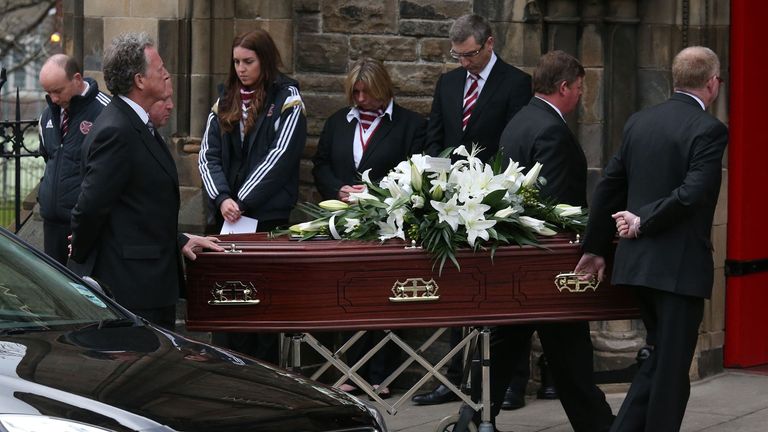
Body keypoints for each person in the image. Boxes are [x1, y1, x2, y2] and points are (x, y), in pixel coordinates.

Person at [575, 46, 728, 432]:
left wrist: (596, 248)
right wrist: (641, 221)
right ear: (712, 84)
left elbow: (609, 185)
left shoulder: (639, 121)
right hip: (677, 269)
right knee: (670, 370)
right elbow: (694, 193)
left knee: (661, 361)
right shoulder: (709, 129)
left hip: (638, 264)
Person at [464, 50, 613, 432]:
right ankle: (597, 425)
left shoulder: (520, 121)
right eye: (579, 88)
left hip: (521, 261)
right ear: (563, 87)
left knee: (511, 344)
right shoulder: (550, 130)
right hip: (547, 263)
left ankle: (472, 419)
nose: (581, 96)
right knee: (569, 352)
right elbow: (556, 206)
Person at [413, 13, 534, 407]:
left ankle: (511, 383)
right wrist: (438, 186)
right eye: (458, 55)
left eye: (470, 55)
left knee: (500, 291)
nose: (464, 63)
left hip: (493, 200)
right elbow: (436, 137)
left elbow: (513, 142)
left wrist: (492, 189)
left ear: (489, 43)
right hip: (451, 204)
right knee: (456, 290)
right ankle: (452, 378)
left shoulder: (516, 83)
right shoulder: (448, 83)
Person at [68, 32, 223, 331]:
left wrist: (181, 240)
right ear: (140, 80)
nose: (166, 72)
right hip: (130, 288)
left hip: (149, 280)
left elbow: (140, 209)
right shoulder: (118, 130)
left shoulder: (137, 125)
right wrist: (82, 253)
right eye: (160, 68)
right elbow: (90, 209)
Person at [312, 57, 426, 398]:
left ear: (382, 88)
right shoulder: (338, 122)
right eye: (355, 92)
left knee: (386, 296)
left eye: (366, 92)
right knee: (350, 294)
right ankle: (352, 371)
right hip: (345, 224)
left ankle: (382, 374)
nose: (360, 99)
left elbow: (415, 172)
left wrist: (376, 193)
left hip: (388, 224)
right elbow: (320, 165)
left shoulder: (410, 125)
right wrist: (338, 190)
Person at [198, 29, 307, 363]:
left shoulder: (287, 99)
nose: (241, 68)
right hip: (228, 218)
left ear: (265, 60)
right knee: (231, 299)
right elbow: (207, 155)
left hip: (267, 218)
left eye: (249, 61)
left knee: (263, 302)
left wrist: (241, 200)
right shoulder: (225, 100)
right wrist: (222, 199)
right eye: (236, 62)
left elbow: (280, 156)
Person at [37, 54, 109, 265]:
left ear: (77, 79)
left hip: (86, 228)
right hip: (52, 227)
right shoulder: (47, 116)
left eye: (58, 91)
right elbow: (48, 157)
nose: (54, 98)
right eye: (48, 92)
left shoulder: (106, 111)